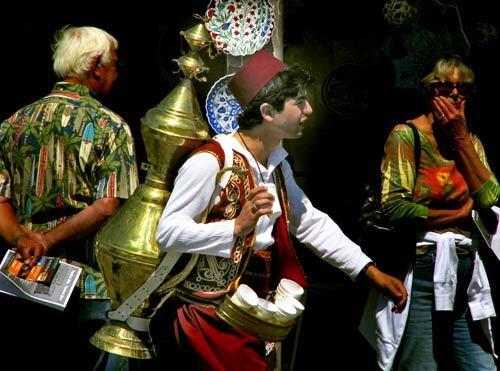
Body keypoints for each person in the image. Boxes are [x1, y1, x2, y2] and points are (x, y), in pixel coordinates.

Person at [154, 50, 407, 370]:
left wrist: (369, 271)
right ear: (268, 112)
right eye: (299, 103)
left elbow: (310, 222)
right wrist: (236, 227)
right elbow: (168, 232)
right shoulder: (211, 162)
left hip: (254, 315)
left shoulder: (276, 168)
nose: (309, 110)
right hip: (208, 319)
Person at [0, 26, 138, 369]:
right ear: (95, 65)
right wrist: (48, 241)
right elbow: (109, 204)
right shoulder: (111, 126)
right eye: (115, 65)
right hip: (90, 287)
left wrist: (22, 238)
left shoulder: (13, 124)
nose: (116, 74)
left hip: (24, 280)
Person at [360, 55, 500, 370]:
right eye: (445, 88)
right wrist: (457, 216)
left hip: (464, 268)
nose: (455, 95)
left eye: (463, 89)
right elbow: (395, 206)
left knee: (480, 364)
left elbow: (490, 195)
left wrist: (461, 140)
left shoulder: (469, 141)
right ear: (429, 92)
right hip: (423, 265)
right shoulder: (406, 135)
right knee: (420, 364)